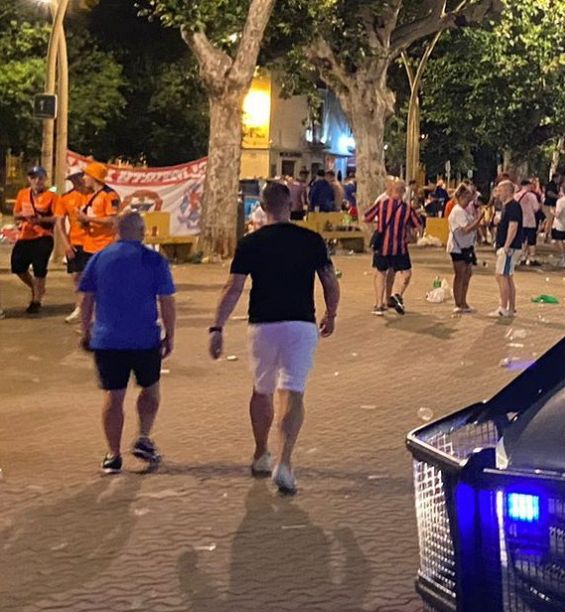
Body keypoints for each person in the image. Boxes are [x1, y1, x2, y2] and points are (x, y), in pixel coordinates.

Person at [207, 181, 340, 495]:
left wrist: (217, 327)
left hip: (262, 325)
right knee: (293, 392)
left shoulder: (251, 243)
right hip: (300, 324)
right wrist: (331, 313)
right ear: (291, 204)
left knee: (262, 390)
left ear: (262, 208)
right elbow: (330, 281)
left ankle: (260, 453)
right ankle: (285, 462)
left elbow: (233, 288)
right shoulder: (311, 240)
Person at [76, 211, 176, 474]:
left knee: (113, 396)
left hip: (108, 339)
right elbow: (167, 301)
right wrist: (171, 334)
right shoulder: (154, 260)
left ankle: (113, 454)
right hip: (144, 339)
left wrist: (85, 331)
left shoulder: (99, 259)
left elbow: (86, 299)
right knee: (151, 391)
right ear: (142, 232)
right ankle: (143, 436)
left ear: (115, 231)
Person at [62, 162, 121, 324]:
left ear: (94, 177)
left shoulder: (109, 195)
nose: (84, 178)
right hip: (89, 246)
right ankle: (91, 319)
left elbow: (113, 220)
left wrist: (88, 219)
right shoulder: (91, 195)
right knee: (89, 285)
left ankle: (108, 319)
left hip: (104, 246)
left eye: (87, 175)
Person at [363, 175, 425, 316]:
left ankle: (379, 305)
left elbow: (366, 217)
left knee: (380, 272)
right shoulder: (407, 209)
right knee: (406, 273)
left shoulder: (381, 204)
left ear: (390, 190)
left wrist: (380, 225)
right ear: (403, 192)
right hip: (399, 247)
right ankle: (397, 294)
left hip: (382, 247)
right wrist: (413, 233)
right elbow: (418, 225)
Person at [9, 165, 58, 317]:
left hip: (43, 235)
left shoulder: (52, 196)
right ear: (29, 179)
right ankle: (36, 288)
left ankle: (36, 300)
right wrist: (23, 215)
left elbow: (57, 217)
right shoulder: (23, 194)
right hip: (25, 235)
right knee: (17, 266)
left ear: (45, 179)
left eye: (40, 177)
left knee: (39, 267)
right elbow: (15, 214)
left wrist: (41, 219)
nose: (37, 180)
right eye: (33, 177)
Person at [447, 184, 479, 314]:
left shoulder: (464, 210)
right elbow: (466, 229)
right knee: (460, 275)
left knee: (467, 274)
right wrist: (478, 221)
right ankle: (458, 303)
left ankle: (463, 302)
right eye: (468, 198)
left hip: (467, 246)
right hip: (458, 247)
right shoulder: (458, 211)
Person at [492, 180, 522, 318]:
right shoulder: (507, 206)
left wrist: (506, 246)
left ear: (507, 191)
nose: (497, 193)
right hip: (508, 246)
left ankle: (503, 307)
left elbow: (513, 226)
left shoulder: (513, 206)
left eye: (499, 190)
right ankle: (511, 307)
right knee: (507, 276)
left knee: (502, 275)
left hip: (509, 247)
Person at [515, 178, 542, 267]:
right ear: (527, 185)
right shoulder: (532, 196)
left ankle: (522, 257)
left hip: (520, 221)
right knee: (531, 240)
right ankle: (531, 258)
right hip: (530, 221)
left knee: (522, 240)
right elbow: (536, 208)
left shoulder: (516, 196)